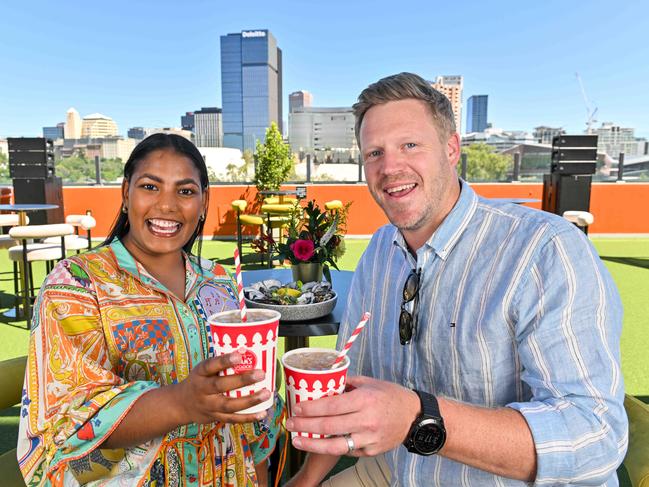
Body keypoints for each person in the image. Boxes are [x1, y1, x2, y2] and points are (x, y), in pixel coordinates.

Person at [285, 73, 628, 486]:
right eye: (374, 152)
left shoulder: (545, 250)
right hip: (397, 470)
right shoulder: (379, 250)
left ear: (451, 149)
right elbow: (349, 382)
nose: (390, 167)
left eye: (410, 145)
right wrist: (304, 481)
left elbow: (597, 438)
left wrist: (419, 417)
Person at [17, 133, 282, 486]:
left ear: (204, 203)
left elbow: (252, 424)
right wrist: (181, 403)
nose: (167, 205)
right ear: (126, 194)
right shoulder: (77, 285)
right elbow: (67, 422)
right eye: (150, 187)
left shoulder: (220, 282)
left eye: (185, 191)